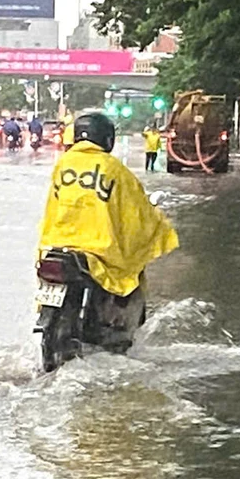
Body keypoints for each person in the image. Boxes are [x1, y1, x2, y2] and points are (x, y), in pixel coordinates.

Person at [38, 112, 179, 322]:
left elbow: (52, 207)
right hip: (99, 250)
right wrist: (158, 228)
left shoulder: (63, 165)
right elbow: (135, 212)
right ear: (107, 139)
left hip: (56, 244)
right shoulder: (114, 169)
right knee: (127, 277)